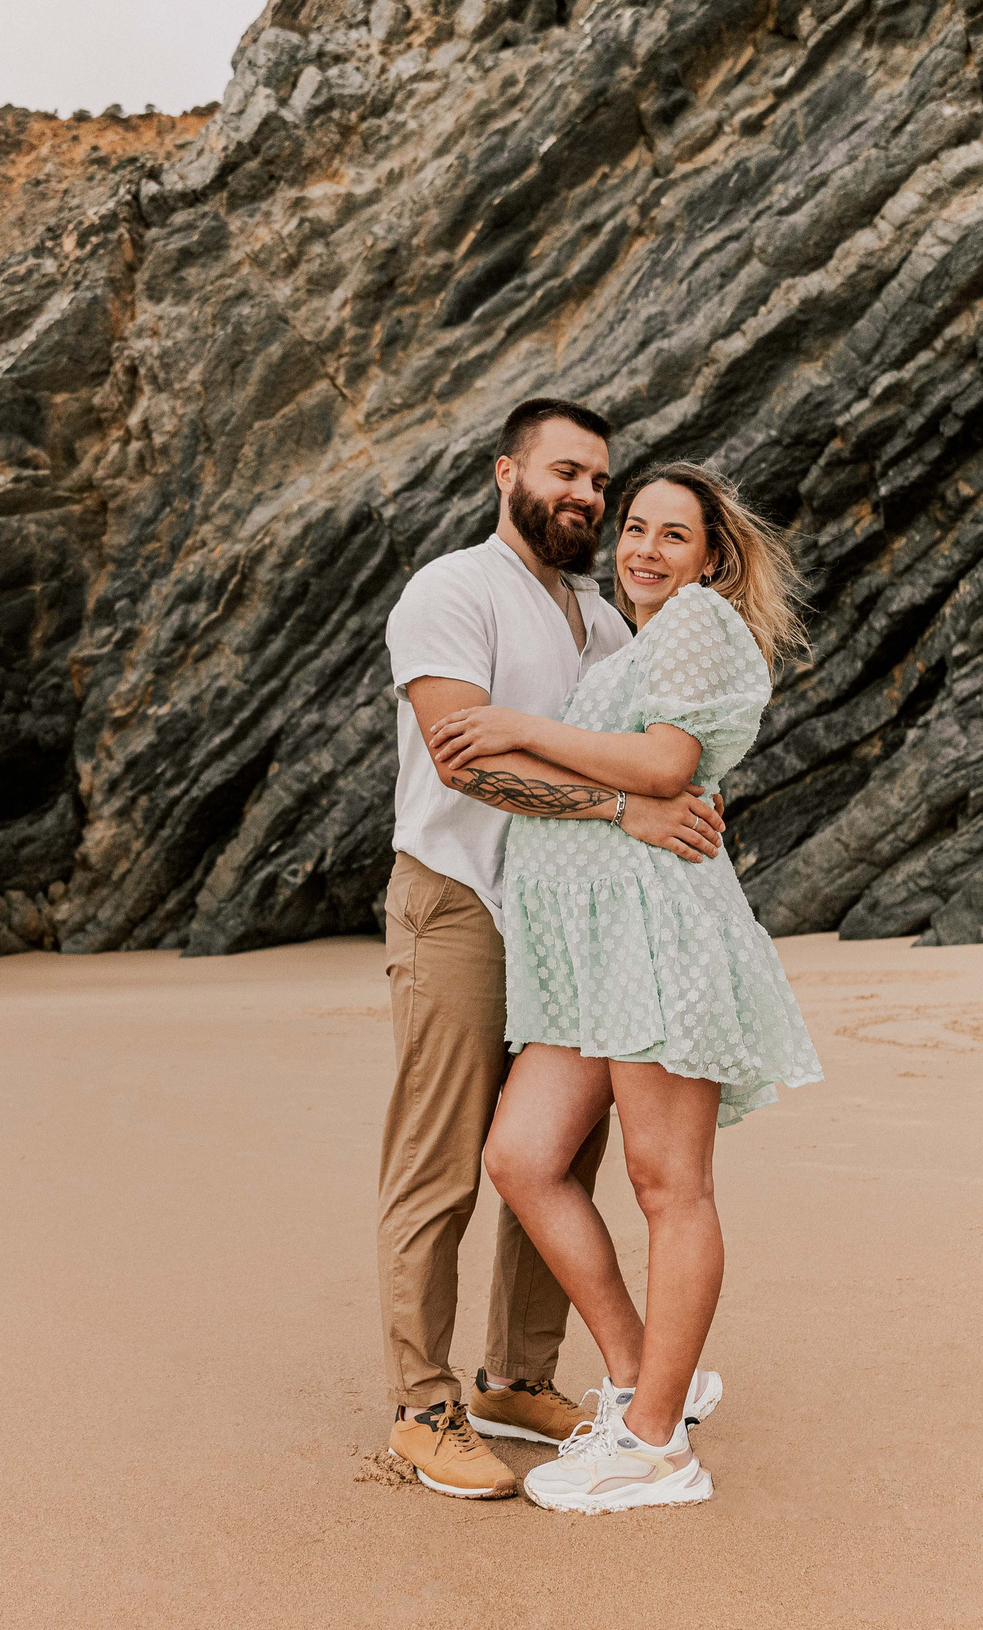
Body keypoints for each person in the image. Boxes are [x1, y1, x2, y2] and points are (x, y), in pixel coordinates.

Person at [427, 460, 822, 1515]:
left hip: (655, 936)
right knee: (521, 1156)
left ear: (709, 557)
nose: (643, 549)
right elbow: (636, 769)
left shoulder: (697, 622)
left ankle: (656, 1449)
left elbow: (660, 766)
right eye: (633, 528)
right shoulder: (640, 640)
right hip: (586, 954)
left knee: (667, 1187)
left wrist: (513, 726)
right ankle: (651, 1379)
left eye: (671, 534)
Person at [380, 400, 732, 1501]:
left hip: (563, 919)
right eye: (566, 473)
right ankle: (423, 1400)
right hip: (459, 902)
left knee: (552, 1158)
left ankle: (515, 1375)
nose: (585, 497)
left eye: (599, 482)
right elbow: (462, 760)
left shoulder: (601, 617)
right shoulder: (453, 590)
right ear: (506, 473)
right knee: (442, 1162)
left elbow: (653, 753)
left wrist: (665, 801)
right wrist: (618, 812)